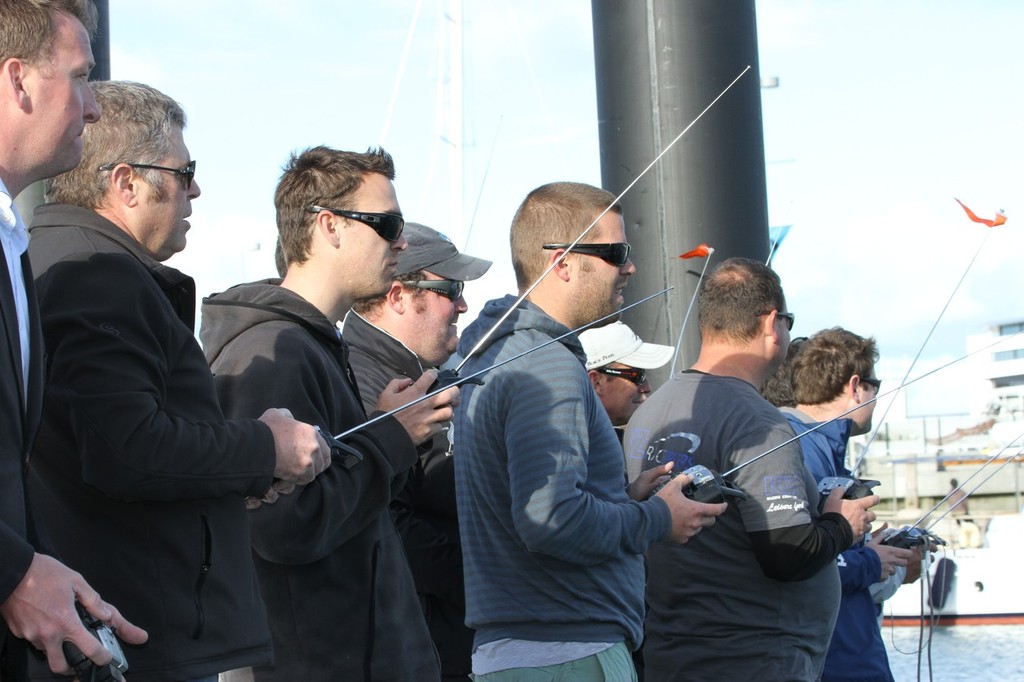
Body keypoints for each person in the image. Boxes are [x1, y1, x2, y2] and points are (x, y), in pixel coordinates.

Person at [26, 80, 330, 682]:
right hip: (134, 636)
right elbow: (129, 450)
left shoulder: (55, 257)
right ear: (126, 182)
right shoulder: (99, 275)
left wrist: (230, 474)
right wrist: (265, 447)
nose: (195, 188)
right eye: (183, 170)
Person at [200, 146, 460, 682]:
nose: (401, 241)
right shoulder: (273, 350)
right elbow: (281, 528)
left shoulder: (313, 344)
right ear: (328, 227)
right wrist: (392, 436)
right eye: (386, 223)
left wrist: (385, 429)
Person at [454, 181, 727, 680]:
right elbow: (549, 519)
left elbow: (532, 505)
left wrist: (624, 497)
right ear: (562, 263)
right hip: (569, 654)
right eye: (616, 252)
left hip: (525, 650)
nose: (630, 267)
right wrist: (657, 520)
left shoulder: (493, 357)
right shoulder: (548, 365)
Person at [624, 257, 879, 682]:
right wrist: (841, 523)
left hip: (671, 654)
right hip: (754, 659)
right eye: (788, 322)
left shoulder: (650, 412)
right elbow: (787, 552)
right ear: (771, 323)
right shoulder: (758, 422)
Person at [0, 3, 147, 679]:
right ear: (18, 81)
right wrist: (13, 572)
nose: (94, 107)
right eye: (81, 78)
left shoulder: (12, 240)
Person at [343, 222, 491, 681]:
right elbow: (386, 523)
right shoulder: (362, 382)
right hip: (404, 649)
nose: (464, 304)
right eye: (452, 288)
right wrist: (492, 577)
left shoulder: (423, 376)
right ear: (398, 296)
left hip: (439, 641)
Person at [771, 327, 917, 682]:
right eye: (873, 386)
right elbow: (792, 555)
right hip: (832, 660)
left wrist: (872, 550)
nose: (875, 397)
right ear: (855, 387)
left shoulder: (805, 444)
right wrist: (872, 560)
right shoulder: (801, 450)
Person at [579, 320, 673, 438]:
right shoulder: (576, 445)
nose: (647, 387)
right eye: (636, 375)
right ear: (596, 382)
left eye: (644, 374)